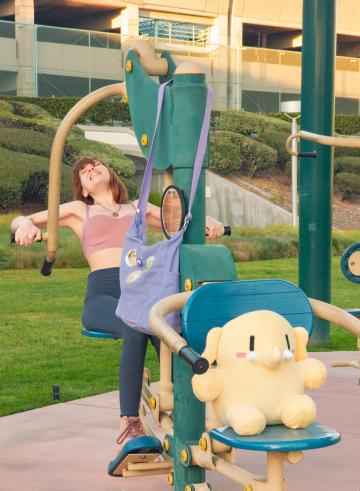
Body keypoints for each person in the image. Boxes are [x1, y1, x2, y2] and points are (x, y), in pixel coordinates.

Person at [11, 156, 225, 452]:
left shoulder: (136, 208)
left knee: (172, 337)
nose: (91, 169)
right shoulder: (80, 210)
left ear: (110, 173)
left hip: (140, 290)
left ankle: (194, 414)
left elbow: (177, 219)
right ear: (84, 190)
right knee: (134, 326)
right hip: (104, 293)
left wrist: (208, 222)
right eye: (84, 172)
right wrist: (23, 225)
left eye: (95, 165)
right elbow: (23, 219)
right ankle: (129, 424)